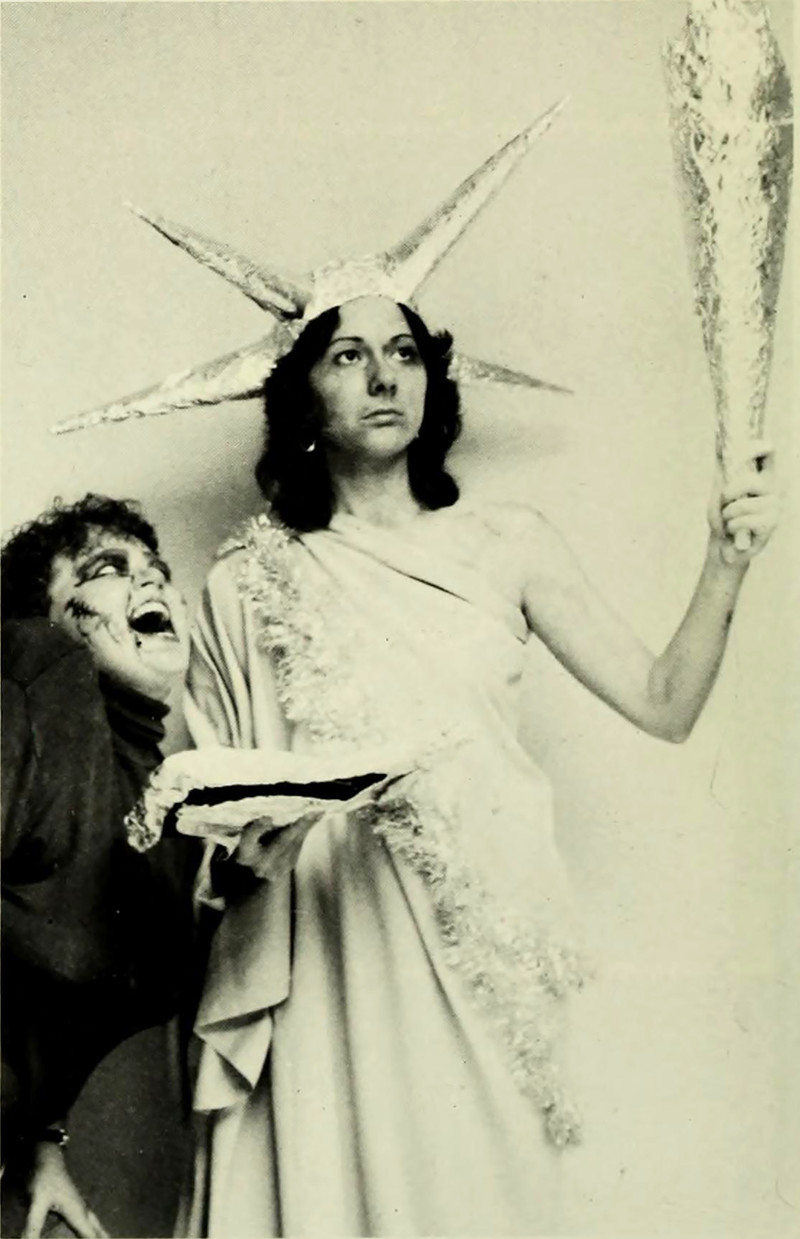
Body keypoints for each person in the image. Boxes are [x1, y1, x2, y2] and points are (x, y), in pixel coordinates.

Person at [178, 293, 778, 1237]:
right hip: (339, 947)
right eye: (348, 355)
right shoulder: (247, 584)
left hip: (494, 939)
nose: (384, 377)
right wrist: (251, 860)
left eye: (405, 352)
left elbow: (666, 702)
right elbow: (203, 824)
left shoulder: (510, 542)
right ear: (303, 394)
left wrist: (726, 560)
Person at [1, 494, 195, 1239]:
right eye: (107, 568)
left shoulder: (163, 788)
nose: (150, 581)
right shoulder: (34, 670)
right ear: (45, 617)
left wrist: (39, 1139)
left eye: (158, 569)